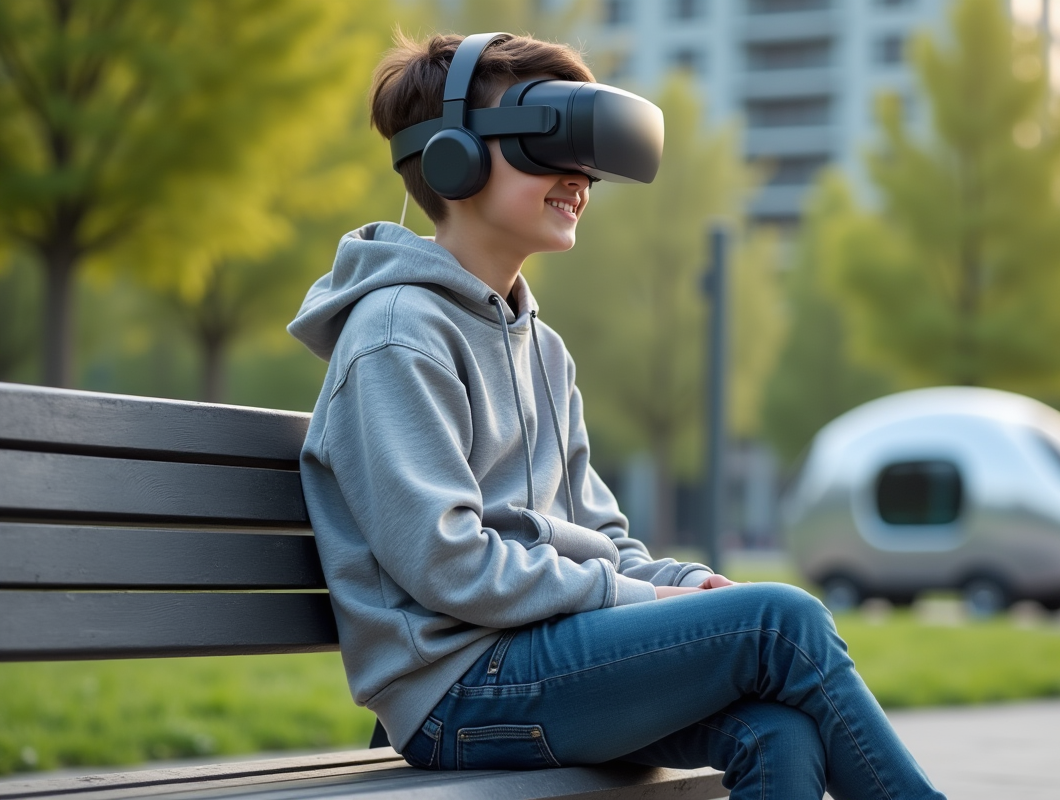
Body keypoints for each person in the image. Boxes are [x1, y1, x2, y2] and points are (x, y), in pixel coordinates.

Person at [288, 31, 946, 800]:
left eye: (587, 157)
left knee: (780, 731)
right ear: (453, 156)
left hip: (547, 658)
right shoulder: (397, 332)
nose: (580, 178)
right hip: (458, 691)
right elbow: (450, 566)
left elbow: (600, 540)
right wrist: (648, 599)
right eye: (546, 145)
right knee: (780, 622)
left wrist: (686, 583)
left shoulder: (544, 349)